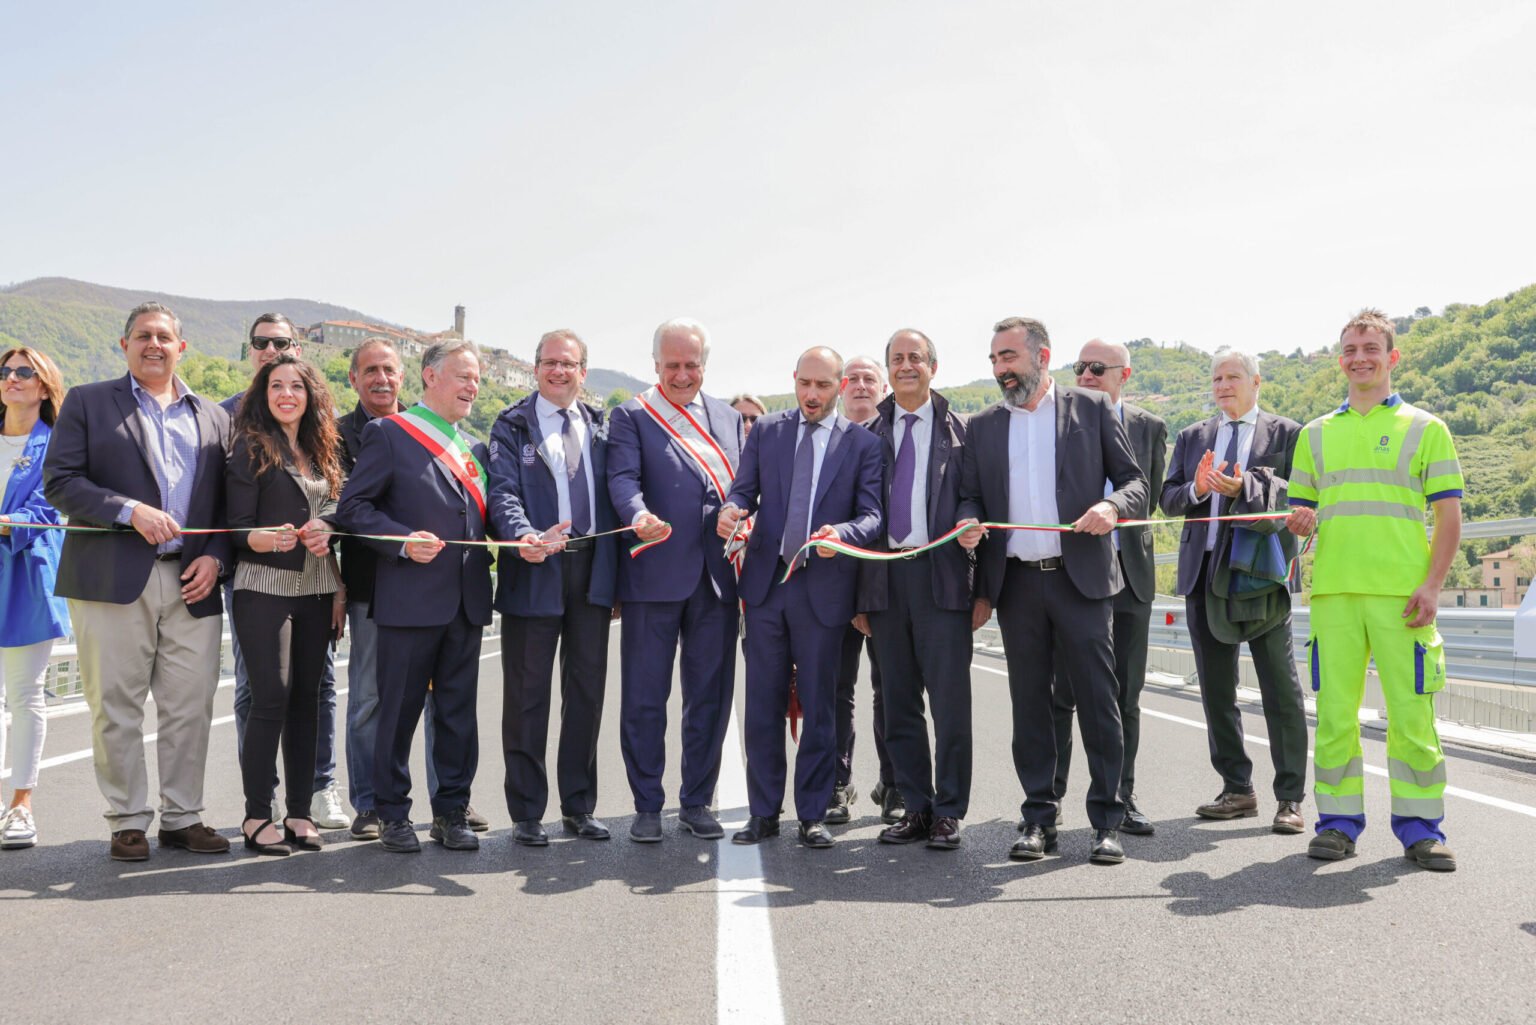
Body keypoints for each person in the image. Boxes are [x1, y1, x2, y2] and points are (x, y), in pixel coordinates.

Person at [43, 302, 233, 862]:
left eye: (164, 337)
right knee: (115, 704)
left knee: (190, 705)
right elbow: (60, 483)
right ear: (123, 345)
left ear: (182, 348)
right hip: (109, 577)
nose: (154, 345)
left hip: (192, 581)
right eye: (143, 336)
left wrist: (217, 557)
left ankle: (182, 818)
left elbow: (228, 503)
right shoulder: (87, 401)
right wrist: (128, 510)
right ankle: (127, 820)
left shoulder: (214, 417)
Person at [956, 316, 1147, 865]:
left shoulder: (1090, 409)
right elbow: (970, 496)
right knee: (1031, 708)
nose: (1000, 369)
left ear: (1042, 355)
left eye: (1009, 357)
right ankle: (1039, 816)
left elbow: (1137, 484)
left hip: (1081, 582)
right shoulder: (984, 425)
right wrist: (969, 522)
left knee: (1097, 702)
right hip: (1016, 585)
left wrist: (1111, 507)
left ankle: (1107, 820)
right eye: (995, 359)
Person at [1287, 309, 1463, 872]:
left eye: (1370, 347)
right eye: (1349, 349)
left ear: (1392, 357)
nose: (1359, 357)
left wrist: (1433, 585)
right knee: (1336, 716)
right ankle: (1337, 825)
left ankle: (1421, 830)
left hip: (1403, 596)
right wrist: (1300, 522)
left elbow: (1449, 516)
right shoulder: (1313, 435)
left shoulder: (1426, 427)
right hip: (1335, 595)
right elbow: (1305, 515)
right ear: (1339, 360)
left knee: (1412, 718)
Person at [718, 346, 882, 848]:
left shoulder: (862, 445)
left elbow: (873, 515)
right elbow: (744, 491)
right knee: (763, 706)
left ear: (840, 385)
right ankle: (764, 813)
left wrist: (846, 534)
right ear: (794, 380)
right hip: (768, 590)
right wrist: (731, 508)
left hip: (824, 591)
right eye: (804, 384)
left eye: (824, 386)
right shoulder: (767, 431)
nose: (812, 395)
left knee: (819, 708)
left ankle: (812, 813)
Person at [336, 338, 494, 854]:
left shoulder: (473, 448)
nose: (472, 386)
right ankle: (392, 812)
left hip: (466, 601)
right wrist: (401, 541)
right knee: (397, 712)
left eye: (476, 379)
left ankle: (451, 811)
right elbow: (354, 509)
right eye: (463, 376)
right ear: (429, 376)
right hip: (408, 599)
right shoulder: (390, 434)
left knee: (457, 714)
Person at [606, 318, 743, 843]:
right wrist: (638, 514)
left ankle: (696, 801)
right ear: (656, 366)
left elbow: (742, 486)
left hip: (717, 579)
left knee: (709, 696)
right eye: (672, 366)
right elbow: (623, 478)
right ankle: (647, 804)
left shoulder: (729, 418)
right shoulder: (633, 416)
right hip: (654, 574)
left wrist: (740, 513)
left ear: (704, 366)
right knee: (644, 697)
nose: (682, 375)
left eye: (691, 365)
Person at [1162, 348, 1308, 834]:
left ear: (1256, 382)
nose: (1223, 385)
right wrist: (1200, 490)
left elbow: (1299, 496)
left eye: (1233, 377)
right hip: (1203, 576)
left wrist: (1244, 485)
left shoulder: (1288, 433)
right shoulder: (1192, 437)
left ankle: (1289, 798)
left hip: (1260, 577)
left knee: (1280, 690)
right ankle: (1237, 788)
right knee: (1216, 691)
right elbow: (1168, 499)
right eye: (1217, 378)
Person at [488, 330, 619, 845]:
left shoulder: (604, 427)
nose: (558, 371)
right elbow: (501, 493)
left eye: (569, 364)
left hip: (591, 569)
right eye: (549, 363)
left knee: (585, 693)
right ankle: (525, 812)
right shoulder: (511, 424)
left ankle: (578, 807)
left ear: (583, 371)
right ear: (535, 368)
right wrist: (522, 534)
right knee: (526, 695)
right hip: (534, 566)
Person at [220, 316, 348, 831]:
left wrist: (329, 527)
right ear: (263, 394)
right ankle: (256, 816)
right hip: (262, 589)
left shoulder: (325, 450)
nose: (287, 393)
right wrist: (263, 539)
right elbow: (234, 528)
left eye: (297, 386)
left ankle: (298, 813)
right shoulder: (250, 446)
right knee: (269, 697)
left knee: (306, 702)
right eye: (277, 386)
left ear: (311, 395)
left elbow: (342, 507)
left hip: (318, 590)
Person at [854, 330, 979, 849]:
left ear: (933, 367)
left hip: (943, 577)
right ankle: (915, 804)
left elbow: (976, 500)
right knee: (898, 701)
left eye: (915, 358)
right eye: (897, 359)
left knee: (950, 703)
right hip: (885, 581)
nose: (907, 365)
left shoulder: (964, 431)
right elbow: (853, 512)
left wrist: (984, 588)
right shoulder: (864, 435)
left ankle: (949, 810)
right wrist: (858, 598)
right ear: (888, 370)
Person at [1051, 339, 1167, 835]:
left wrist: (1114, 510)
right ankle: (1049, 797)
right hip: (1068, 577)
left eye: (1097, 367)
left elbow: (1152, 497)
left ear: (1125, 374)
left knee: (1124, 695)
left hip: (1128, 577)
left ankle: (1122, 795)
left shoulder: (1149, 426)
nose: (1087, 374)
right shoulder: (1057, 421)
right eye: (1080, 367)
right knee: (1061, 693)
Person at [0, 347, 69, 850]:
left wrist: (8, 522)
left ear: (44, 385)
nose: (12, 378)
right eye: (4, 371)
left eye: (24, 372)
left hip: (24, 577)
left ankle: (20, 805)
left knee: (24, 696)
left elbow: (50, 510)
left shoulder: (57, 444)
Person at [832, 354, 901, 824]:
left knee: (891, 689)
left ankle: (894, 783)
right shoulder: (824, 442)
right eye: (851, 379)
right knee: (835, 690)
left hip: (886, 588)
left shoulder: (899, 438)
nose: (859, 385)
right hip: (833, 588)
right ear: (839, 389)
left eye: (868, 379)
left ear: (883, 388)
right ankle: (838, 783)